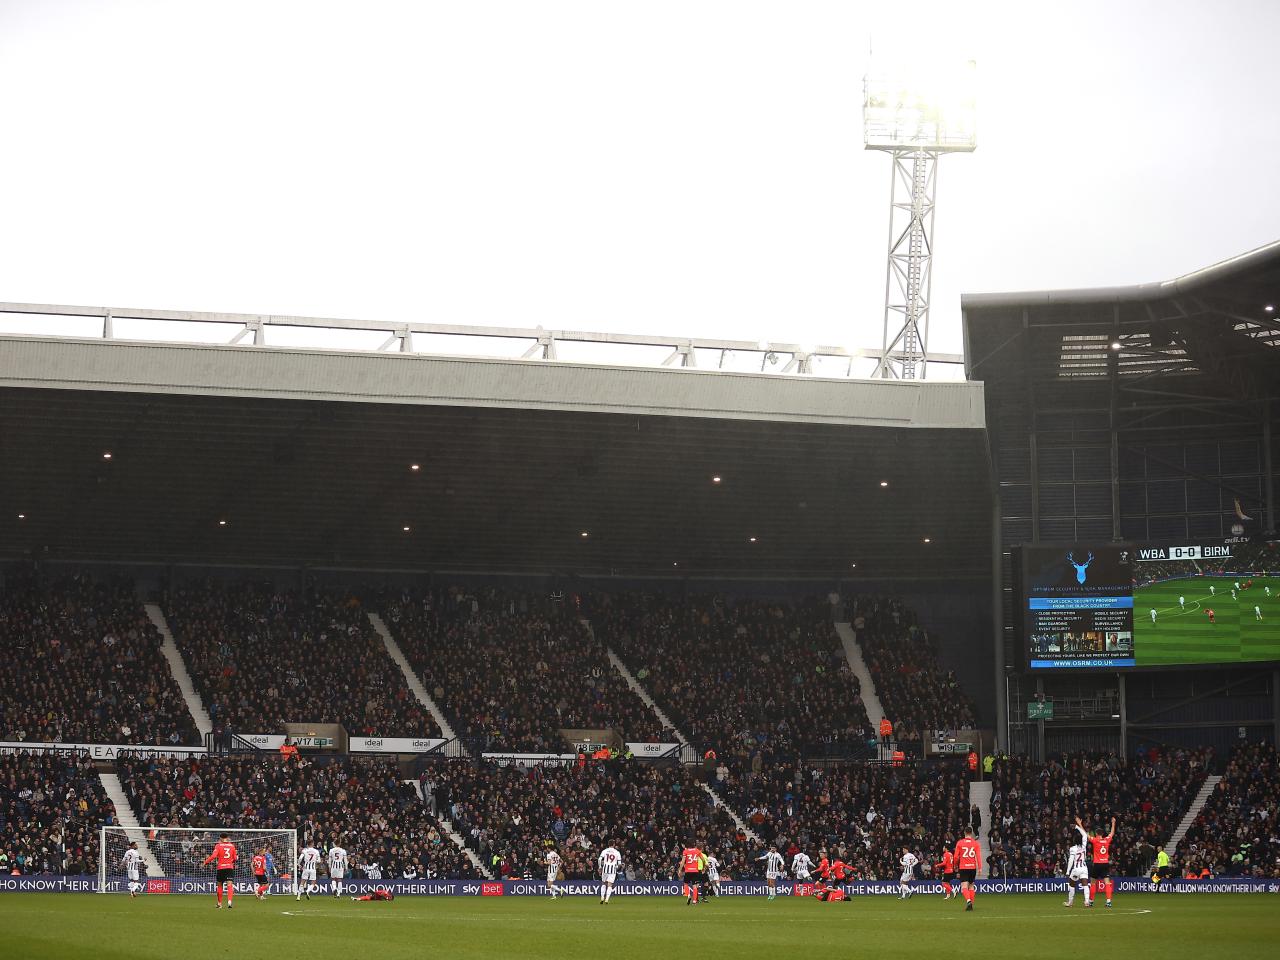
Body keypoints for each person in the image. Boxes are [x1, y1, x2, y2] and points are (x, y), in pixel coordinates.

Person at [1076, 815, 1116, 908]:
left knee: (1093, 883)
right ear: (1102, 834)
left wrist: (1080, 824)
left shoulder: (1095, 840)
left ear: (1096, 833)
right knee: (1107, 883)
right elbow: (1112, 833)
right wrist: (1113, 823)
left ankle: (1091, 901)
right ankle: (1109, 901)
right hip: (1105, 864)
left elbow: (1085, 834)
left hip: (1097, 864)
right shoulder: (1106, 840)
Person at [203, 833, 238, 909]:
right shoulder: (232, 846)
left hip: (221, 868)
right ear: (227, 837)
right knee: (229, 885)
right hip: (229, 867)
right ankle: (229, 902)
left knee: (219, 885)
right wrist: (234, 859)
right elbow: (235, 858)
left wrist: (205, 862)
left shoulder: (218, 845)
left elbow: (213, 856)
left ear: (221, 838)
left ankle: (219, 904)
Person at [953, 829, 981, 912]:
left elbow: (955, 857)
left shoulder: (960, 843)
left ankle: (968, 901)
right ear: (972, 833)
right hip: (972, 867)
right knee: (971, 886)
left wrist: (955, 865)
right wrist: (980, 868)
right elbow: (978, 856)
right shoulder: (976, 843)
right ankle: (971, 904)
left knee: (964, 886)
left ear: (964, 833)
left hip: (963, 867)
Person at [1064, 830, 1091, 907]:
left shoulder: (1073, 848)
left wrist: (1068, 871)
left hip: (1076, 869)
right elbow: (1085, 835)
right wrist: (1077, 827)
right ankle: (1086, 901)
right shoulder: (1084, 846)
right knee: (1085, 884)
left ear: (1074, 841)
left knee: (1072, 884)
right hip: (1084, 868)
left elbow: (1071, 860)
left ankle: (1070, 902)